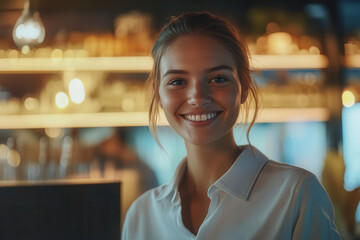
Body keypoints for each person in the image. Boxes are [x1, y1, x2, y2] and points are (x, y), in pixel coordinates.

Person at [122, 12, 340, 239]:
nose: (197, 96)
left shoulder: (297, 195)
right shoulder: (141, 215)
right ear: (158, 93)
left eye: (217, 78)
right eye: (178, 82)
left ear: (244, 86)